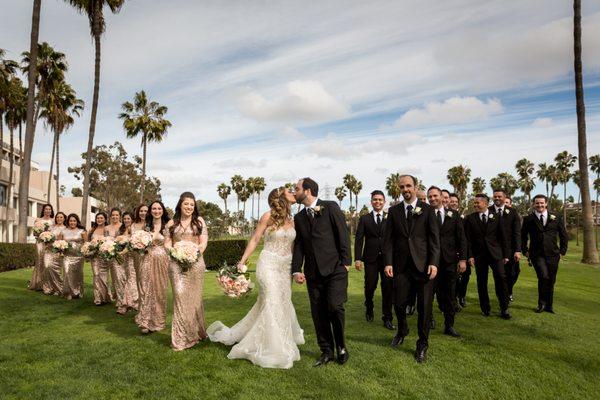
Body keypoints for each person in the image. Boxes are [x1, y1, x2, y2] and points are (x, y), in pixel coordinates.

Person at [208, 187, 304, 368]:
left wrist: (296, 269)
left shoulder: (293, 220)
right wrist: (242, 260)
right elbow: (255, 239)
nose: (293, 192)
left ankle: (281, 339)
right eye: (288, 190)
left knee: (283, 302)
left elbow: (293, 247)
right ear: (281, 197)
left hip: (285, 267)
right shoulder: (267, 217)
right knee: (271, 300)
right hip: (267, 264)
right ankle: (272, 347)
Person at [292, 178, 351, 367]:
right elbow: (299, 245)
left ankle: (341, 346)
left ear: (307, 191)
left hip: (335, 269)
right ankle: (326, 351)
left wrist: (346, 263)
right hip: (313, 273)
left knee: (334, 306)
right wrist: (296, 270)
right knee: (318, 313)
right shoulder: (299, 217)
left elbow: (343, 233)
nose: (295, 192)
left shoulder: (330, 207)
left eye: (297, 189)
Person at [384, 175, 440, 363]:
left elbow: (434, 239)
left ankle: (422, 344)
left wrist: (433, 262)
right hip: (401, 266)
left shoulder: (427, 210)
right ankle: (402, 330)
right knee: (399, 303)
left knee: (424, 307)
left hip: (423, 266)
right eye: (402, 187)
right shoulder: (394, 211)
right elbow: (389, 240)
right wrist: (388, 262)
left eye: (409, 186)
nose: (406, 189)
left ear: (416, 187)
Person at [166, 192, 209, 351]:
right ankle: (180, 338)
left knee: (194, 299)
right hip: (176, 264)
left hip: (196, 263)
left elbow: (203, 242)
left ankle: (196, 332)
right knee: (179, 297)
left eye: (192, 204)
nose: (189, 207)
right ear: (180, 205)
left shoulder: (199, 221)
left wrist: (195, 253)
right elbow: (167, 243)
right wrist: (175, 252)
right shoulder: (172, 222)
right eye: (186, 204)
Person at [427, 187, 466, 337]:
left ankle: (449, 325)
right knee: (429, 293)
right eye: (431, 197)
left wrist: (462, 259)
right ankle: (428, 319)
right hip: (430, 262)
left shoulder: (454, 215)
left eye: (437, 196)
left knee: (450, 295)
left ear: (444, 198)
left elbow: (461, 239)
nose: (434, 199)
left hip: (449, 261)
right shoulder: (425, 214)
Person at [464, 194, 511, 319]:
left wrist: (506, 255)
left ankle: (504, 308)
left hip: (496, 254)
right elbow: (468, 240)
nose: (475, 205)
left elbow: (503, 237)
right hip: (479, 256)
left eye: (477, 203)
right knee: (481, 281)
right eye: (474, 203)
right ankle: (485, 308)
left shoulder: (497, 217)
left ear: (485, 203)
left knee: (501, 278)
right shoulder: (470, 219)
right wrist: (470, 256)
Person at [354, 190, 394, 330]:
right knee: (370, 286)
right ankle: (369, 306)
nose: (378, 202)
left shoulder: (390, 217)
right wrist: (358, 259)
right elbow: (359, 239)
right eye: (375, 200)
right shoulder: (365, 219)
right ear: (371, 202)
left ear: (384, 202)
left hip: (387, 259)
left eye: (380, 200)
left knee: (388, 288)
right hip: (370, 258)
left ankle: (387, 317)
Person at [521, 194, 568, 313]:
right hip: (536, 254)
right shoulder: (528, 219)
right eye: (537, 203)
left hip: (553, 254)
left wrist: (562, 251)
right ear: (533, 204)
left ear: (546, 203)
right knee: (543, 276)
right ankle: (541, 304)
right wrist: (525, 251)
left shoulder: (556, 217)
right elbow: (522, 237)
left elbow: (563, 235)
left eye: (542, 203)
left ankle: (549, 306)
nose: (539, 205)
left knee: (551, 280)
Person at [135, 201, 170, 334]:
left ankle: (158, 322)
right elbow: (140, 242)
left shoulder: (168, 225)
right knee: (145, 289)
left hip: (162, 260)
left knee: (159, 290)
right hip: (146, 259)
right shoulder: (146, 226)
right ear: (150, 211)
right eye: (154, 209)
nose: (156, 211)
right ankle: (145, 322)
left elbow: (169, 243)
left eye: (159, 208)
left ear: (163, 210)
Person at [490, 190, 521, 302]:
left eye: (499, 196)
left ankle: (508, 291)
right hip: (494, 250)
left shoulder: (512, 212)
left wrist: (518, 250)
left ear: (504, 197)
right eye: (495, 196)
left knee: (512, 273)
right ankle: (503, 298)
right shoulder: (488, 211)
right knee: (499, 275)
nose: (497, 198)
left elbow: (517, 232)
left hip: (510, 249)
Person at [107, 208, 128, 314]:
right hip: (112, 257)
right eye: (113, 215)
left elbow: (126, 240)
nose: (115, 217)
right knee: (117, 279)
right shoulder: (107, 228)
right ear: (110, 216)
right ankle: (121, 302)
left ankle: (125, 301)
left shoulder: (123, 226)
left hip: (123, 255)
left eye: (117, 215)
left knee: (123, 279)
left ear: (120, 216)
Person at [29, 204, 54, 291]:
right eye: (46, 209)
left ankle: (48, 283)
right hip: (40, 243)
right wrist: (40, 234)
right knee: (39, 262)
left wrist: (50, 237)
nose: (48, 211)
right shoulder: (38, 220)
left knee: (48, 263)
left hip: (49, 244)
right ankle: (38, 283)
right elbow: (34, 233)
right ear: (43, 210)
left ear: (51, 211)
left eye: (49, 209)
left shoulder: (53, 221)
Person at [61, 214, 87, 299]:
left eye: (74, 221)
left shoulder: (82, 231)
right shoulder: (63, 231)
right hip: (67, 256)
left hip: (79, 257)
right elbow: (59, 243)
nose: (72, 222)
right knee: (67, 273)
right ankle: (68, 292)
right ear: (68, 221)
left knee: (77, 274)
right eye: (71, 221)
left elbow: (86, 244)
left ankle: (78, 291)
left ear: (77, 221)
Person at [89, 212, 112, 305]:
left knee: (104, 277)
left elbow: (109, 242)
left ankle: (105, 297)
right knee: (96, 275)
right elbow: (88, 242)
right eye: (98, 218)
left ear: (105, 219)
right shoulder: (92, 230)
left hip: (104, 256)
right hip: (94, 256)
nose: (99, 220)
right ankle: (98, 298)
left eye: (101, 218)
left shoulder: (107, 229)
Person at [42, 212, 66, 295]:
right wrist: (45, 240)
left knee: (56, 270)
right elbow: (46, 237)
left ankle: (58, 288)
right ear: (55, 218)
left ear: (64, 218)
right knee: (47, 267)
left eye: (61, 217)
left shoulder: (65, 229)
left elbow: (64, 241)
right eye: (58, 217)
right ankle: (48, 288)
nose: (59, 219)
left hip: (57, 252)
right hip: (48, 251)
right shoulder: (51, 228)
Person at [119, 211, 139, 311]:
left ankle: (129, 302)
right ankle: (131, 301)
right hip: (124, 257)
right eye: (125, 218)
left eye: (128, 219)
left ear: (132, 220)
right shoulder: (122, 229)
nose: (126, 220)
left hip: (132, 257)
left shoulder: (133, 229)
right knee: (128, 278)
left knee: (131, 279)